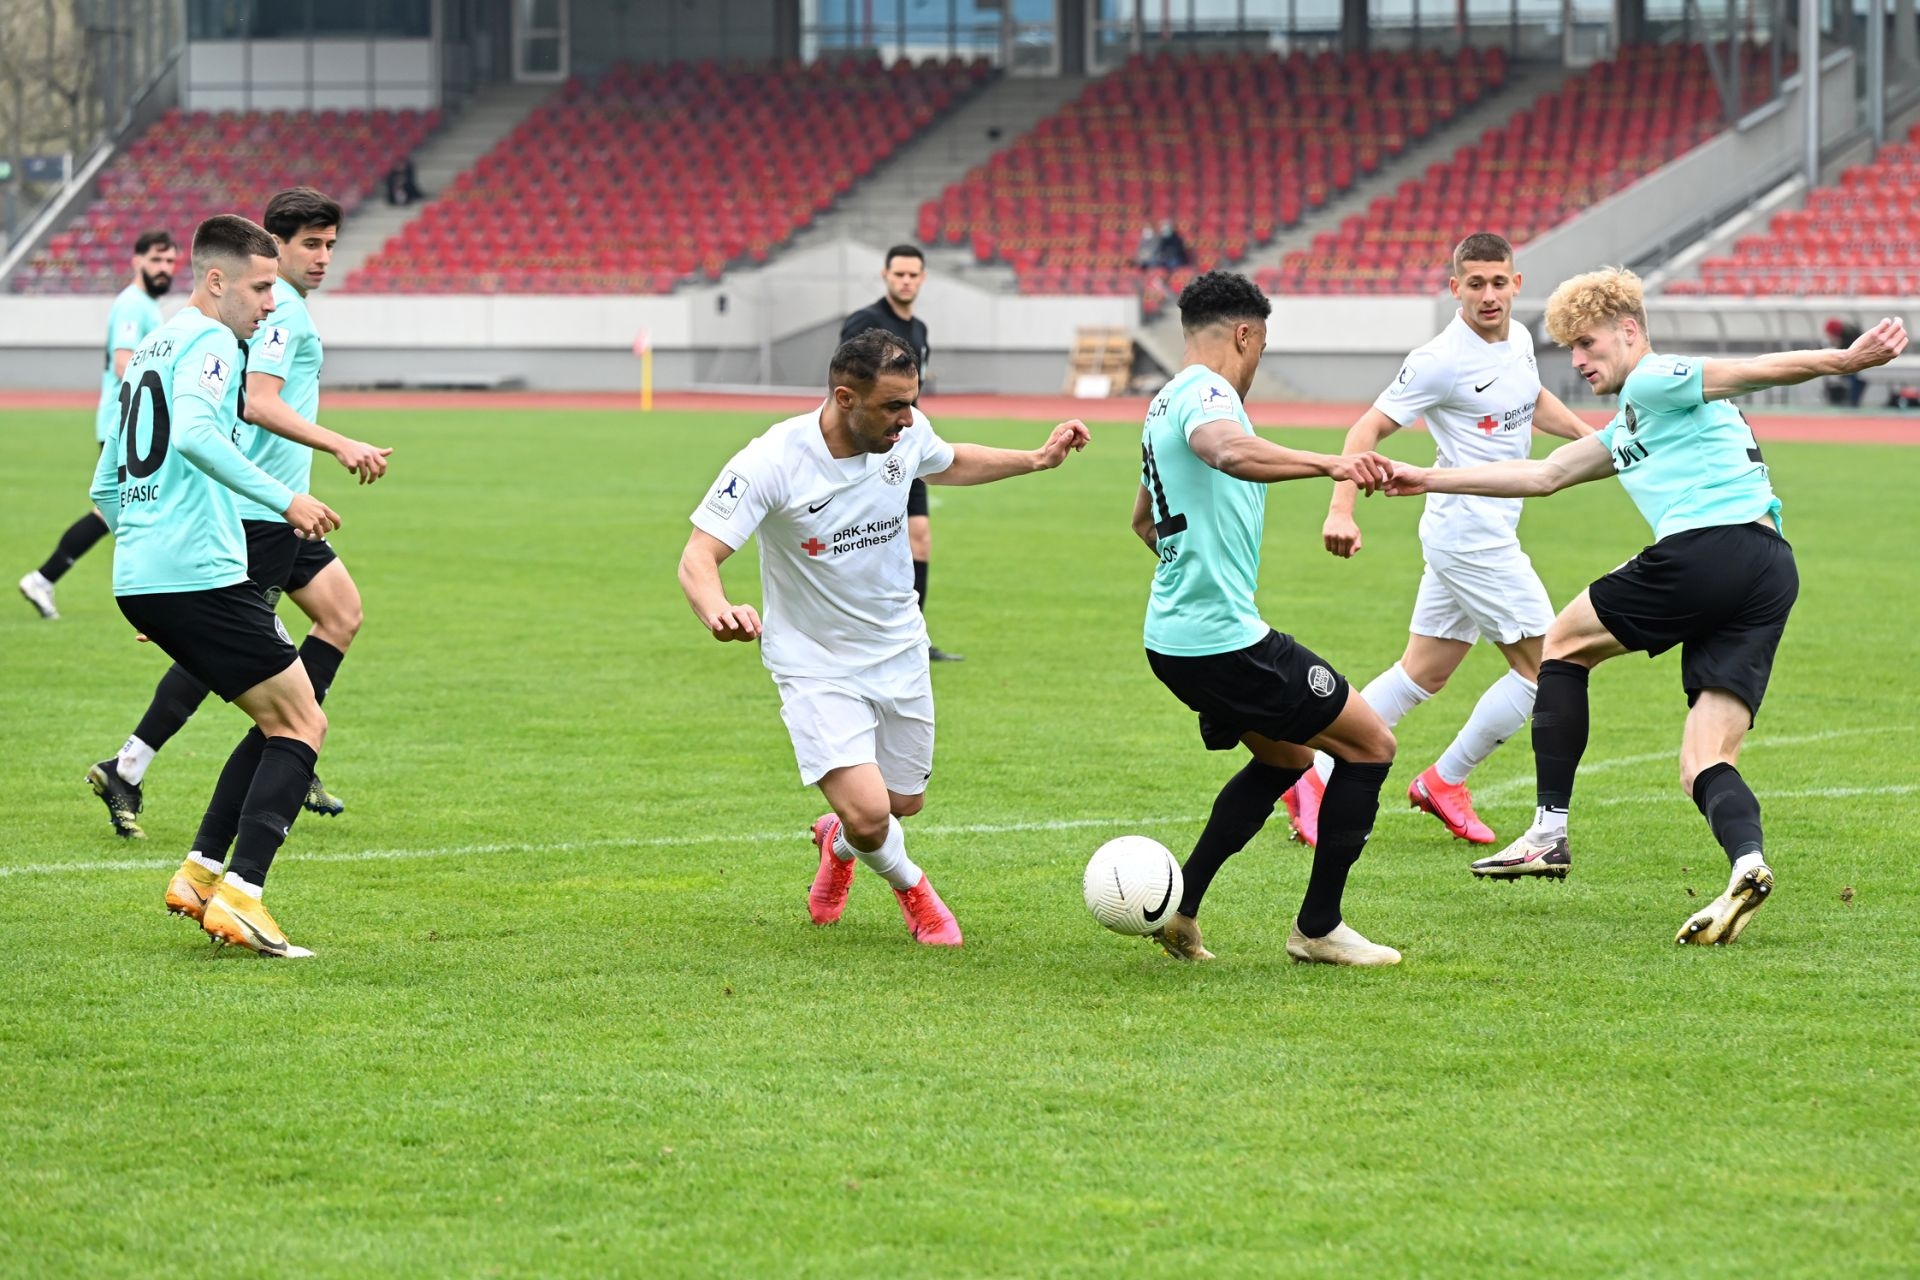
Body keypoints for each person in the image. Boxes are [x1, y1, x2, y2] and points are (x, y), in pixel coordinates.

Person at [1383, 267, 1907, 943]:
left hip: (1710, 547)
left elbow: (1747, 371)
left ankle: (1548, 832)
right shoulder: (1634, 421)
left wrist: (1846, 360)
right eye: (1569, 349)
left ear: (1629, 331)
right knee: (1704, 760)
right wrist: (1425, 476)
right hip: (1769, 570)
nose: (1577, 360)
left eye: (1589, 344)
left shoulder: (1656, 379)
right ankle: (1747, 864)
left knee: (1562, 645)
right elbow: (1544, 475)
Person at [678, 329, 1089, 947]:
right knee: (871, 817)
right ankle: (917, 895)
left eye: (912, 402)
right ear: (846, 398)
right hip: (814, 660)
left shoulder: (905, 434)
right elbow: (697, 557)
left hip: (899, 647)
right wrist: (717, 609)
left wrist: (1034, 458)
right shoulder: (770, 461)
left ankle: (836, 844)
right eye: (893, 406)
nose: (908, 418)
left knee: (900, 804)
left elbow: (948, 458)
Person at [86, 188, 391, 841]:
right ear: (266, 256)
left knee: (340, 614)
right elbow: (252, 405)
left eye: (331, 244)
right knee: (246, 663)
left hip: (233, 519)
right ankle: (235, 757)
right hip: (258, 507)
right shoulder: (241, 330)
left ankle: (284, 743)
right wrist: (331, 451)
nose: (322, 258)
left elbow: (109, 481)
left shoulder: (178, 338)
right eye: (310, 245)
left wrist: (148, 561)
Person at [1286, 233, 1596, 850]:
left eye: (1498, 282)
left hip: (1482, 530)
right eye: (1474, 283)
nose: (1488, 295)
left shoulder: (1521, 339)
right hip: (1470, 537)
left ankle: (1313, 777)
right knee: (1550, 668)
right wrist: (1341, 510)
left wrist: (1593, 437)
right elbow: (1366, 427)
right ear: (1454, 288)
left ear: (1516, 284)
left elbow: (1530, 400)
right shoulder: (1439, 359)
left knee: (1421, 674)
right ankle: (1444, 780)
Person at [1132, 271, 1403, 967]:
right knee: (1371, 746)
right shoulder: (1208, 394)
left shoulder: (1162, 400)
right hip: (1222, 642)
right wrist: (1331, 463)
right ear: (1245, 334)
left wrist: (1192, 572)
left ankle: (1181, 911)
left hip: (1173, 637)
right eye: (1260, 347)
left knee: (1286, 756)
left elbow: (1143, 520)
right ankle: (1319, 928)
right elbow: (1225, 450)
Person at [18, 229, 176, 620]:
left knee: (125, 509)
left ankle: (47, 578)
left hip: (128, 419)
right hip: (126, 421)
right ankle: (45, 578)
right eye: (156, 260)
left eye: (170, 261)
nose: (164, 268)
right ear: (136, 260)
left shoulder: (147, 306)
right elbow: (125, 362)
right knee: (122, 510)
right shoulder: (132, 306)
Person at [841, 244, 960, 661]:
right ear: (885, 275)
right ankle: (804, 622)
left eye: (913, 274)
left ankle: (915, 640)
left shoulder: (920, 329)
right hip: (870, 450)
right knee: (850, 543)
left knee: (920, 539)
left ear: (923, 278)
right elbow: (848, 381)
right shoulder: (866, 323)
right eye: (899, 274)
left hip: (908, 448)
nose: (906, 281)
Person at [1823, 317, 1866, 406]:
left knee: (1855, 378)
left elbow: (1848, 354)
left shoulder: (1849, 335)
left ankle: (1853, 402)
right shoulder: (1842, 334)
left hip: (1860, 361)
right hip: (1854, 361)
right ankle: (1848, 401)